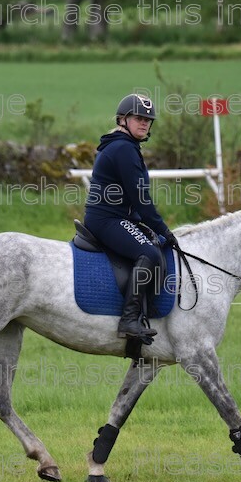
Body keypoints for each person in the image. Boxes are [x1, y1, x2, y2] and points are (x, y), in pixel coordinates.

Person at [83, 93, 178, 341]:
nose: (145, 122)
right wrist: (164, 230)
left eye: (148, 119)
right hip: (107, 220)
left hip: (115, 217)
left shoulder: (123, 146)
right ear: (123, 119)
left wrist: (145, 225)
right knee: (150, 253)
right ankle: (128, 320)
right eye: (139, 117)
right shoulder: (123, 149)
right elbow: (141, 200)